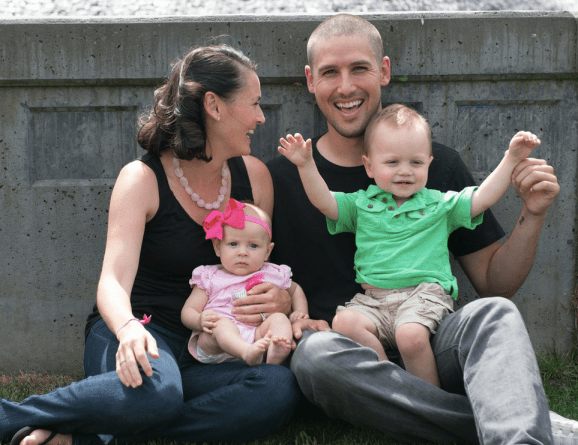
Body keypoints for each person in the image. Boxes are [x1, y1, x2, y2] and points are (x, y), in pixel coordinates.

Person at [267, 13, 569, 444]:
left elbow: (495, 285)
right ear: (311, 80)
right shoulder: (285, 177)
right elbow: (250, 270)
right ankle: (529, 425)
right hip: (349, 356)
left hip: (428, 337)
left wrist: (533, 214)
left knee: (495, 314)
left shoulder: (436, 166)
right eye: (330, 72)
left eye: (359, 68)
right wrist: (289, 312)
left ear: (384, 71)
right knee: (314, 356)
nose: (346, 87)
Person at [1, 44, 299, 445]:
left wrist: (282, 300)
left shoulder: (255, 177)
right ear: (214, 105)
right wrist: (127, 330)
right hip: (140, 331)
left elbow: (267, 269)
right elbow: (113, 281)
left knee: (277, 388)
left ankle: (84, 440)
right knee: (158, 392)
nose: (261, 117)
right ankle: (11, 416)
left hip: (211, 350)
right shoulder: (141, 179)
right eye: (255, 103)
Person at [278, 103, 540, 387]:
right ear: (369, 166)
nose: (405, 171)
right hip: (374, 300)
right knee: (345, 323)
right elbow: (325, 202)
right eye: (392, 163)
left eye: (415, 163)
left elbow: (483, 197)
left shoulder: (439, 204)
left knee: (410, 336)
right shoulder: (362, 204)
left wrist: (511, 158)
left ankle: (430, 402)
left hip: (423, 296)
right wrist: (306, 165)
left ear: (428, 163)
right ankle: (391, 388)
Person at [182, 198, 308, 367]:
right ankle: (246, 352)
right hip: (216, 345)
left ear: (267, 251)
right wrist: (199, 320)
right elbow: (188, 310)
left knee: (279, 319)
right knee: (221, 324)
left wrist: (300, 313)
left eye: (253, 246)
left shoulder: (272, 273)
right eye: (233, 244)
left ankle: (275, 353)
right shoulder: (210, 276)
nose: (243, 252)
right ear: (218, 247)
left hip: (256, 336)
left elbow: (295, 290)